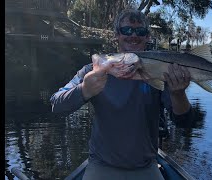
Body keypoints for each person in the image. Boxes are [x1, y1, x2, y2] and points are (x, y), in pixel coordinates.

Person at [50, 8, 194, 180]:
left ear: (147, 37)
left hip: (146, 167)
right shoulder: (93, 71)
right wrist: (84, 90)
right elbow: (56, 105)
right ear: (116, 35)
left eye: (140, 31)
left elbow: (185, 122)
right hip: (101, 165)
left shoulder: (160, 74)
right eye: (126, 30)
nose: (133, 35)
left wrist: (179, 95)